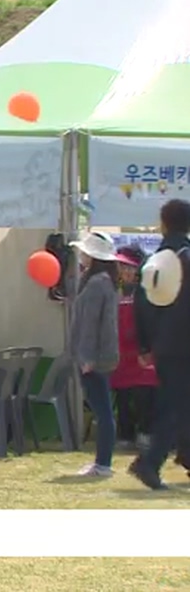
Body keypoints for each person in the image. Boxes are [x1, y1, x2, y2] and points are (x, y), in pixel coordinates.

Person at [131, 199, 190, 489]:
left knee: (178, 403)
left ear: (164, 224)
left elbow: (141, 303)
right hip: (185, 344)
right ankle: (149, 462)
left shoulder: (154, 260)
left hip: (164, 345)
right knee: (176, 407)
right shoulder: (187, 257)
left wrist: (145, 345)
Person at [66, 231, 121, 477]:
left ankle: (103, 464)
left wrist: (87, 357)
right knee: (103, 409)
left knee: (103, 411)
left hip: (94, 357)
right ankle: (102, 462)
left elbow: (91, 323)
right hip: (100, 355)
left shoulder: (97, 283)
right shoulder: (103, 280)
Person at [111, 246, 156, 451]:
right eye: (122, 266)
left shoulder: (147, 291)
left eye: (129, 267)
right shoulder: (114, 290)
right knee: (122, 396)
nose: (125, 271)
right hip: (120, 355)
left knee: (143, 396)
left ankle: (146, 433)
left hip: (141, 354)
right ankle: (125, 434)